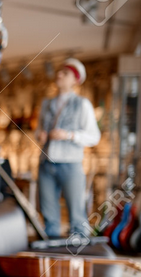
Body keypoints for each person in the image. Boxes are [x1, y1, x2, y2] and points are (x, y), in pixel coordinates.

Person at [36, 58, 101, 238]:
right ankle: (51, 250)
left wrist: (69, 135)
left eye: (65, 73)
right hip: (45, 162)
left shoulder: (82, 104)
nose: (59, 75)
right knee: (48, 212)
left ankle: (78, 251)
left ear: (75, 80)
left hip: (70, 164)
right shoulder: (46, 103)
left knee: (76, 213)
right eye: (60, 71)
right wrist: (40, 135)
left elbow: (93, 136)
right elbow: (37, 131)